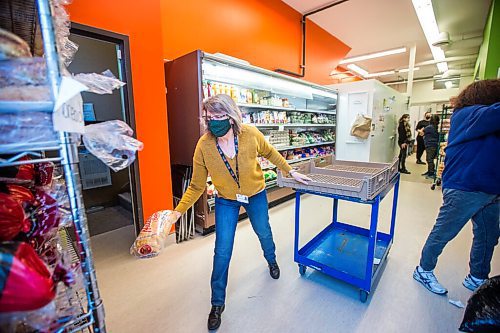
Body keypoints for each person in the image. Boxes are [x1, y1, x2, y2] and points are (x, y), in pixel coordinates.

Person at [171, 94, 311, 330]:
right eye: (209, 117)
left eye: (219, 116)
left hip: (255, 194)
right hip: (226, 200)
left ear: (231, 116)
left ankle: (272, 260)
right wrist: (177, 213)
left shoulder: (250, 135)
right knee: (222, 250)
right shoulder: (204, 145)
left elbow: (270, 153)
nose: (214, 121)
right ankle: (217, 303)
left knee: (263, 232)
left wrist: (290, 171)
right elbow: (196, 185)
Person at [413, 79, 500, 295]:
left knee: (488, 235)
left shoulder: (481, 118)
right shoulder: (467, 114)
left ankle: (477, 276)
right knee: (444, 232)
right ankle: (423, 270)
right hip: (465, 187)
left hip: (492, 188)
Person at [420, 114, 440, 178]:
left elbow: (421, 133)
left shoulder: (429, 127)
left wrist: (421, 130)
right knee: (430, 159)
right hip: (434, 145)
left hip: (430, 145)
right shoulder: (436, 127)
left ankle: (431, 173)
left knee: (429, 159)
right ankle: (430, 171)